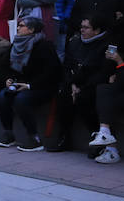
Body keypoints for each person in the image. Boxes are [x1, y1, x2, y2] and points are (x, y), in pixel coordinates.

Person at [49, 14, 114, 153]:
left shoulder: (105, 45)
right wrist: (72, 84)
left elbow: (104, 72)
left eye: (86, 28)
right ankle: (64, 136)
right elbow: (67, 66)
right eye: (81, 27)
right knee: (63, 95)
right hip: (74, 82)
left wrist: (81, 88)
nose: (82, 30)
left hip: (92, 84)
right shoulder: (74, 42)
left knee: (85, 98)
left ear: (96, 31)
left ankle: (96, 137)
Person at [0, 17, 61, 151]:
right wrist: (8, 79)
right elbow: (4, 66)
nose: (18, 28)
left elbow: (52, 72)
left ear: (31, 30)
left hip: (41, 86)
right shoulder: (15, 44)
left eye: (22, 25)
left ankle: (34, 138)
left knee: (21, 100)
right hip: (19, 84)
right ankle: (8, 133)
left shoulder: (44, 46)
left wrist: (30, 85)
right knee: (3, 96)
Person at [90, 48, 124, 163]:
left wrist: (119, 62)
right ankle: (105, 134)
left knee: (107, 99)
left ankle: (109, 146)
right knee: (103, 91)